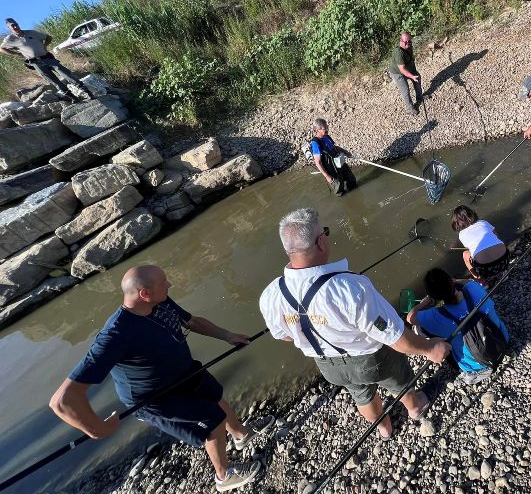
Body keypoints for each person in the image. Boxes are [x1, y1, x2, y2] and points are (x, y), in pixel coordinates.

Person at [49, 266, 271, 493]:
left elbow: (193, 322)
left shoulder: (160, 301)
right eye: (164, 282)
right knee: (212, 421)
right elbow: (63, 399)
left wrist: (228, 336)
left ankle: (241, 435)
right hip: (155, 398)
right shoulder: (114, 336)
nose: (169, 285)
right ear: (144, 293)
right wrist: (98, 430)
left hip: (184, 373)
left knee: (215, 397)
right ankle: (224, 476)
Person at [259, 208, 451, 440]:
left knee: (360, 393)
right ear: (321, 242)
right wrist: (431, 349)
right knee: (399, 379)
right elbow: (395, 337)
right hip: (371, 359)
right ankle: (415, 407)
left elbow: (283, 335)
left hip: (328, 367)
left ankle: (384, 427)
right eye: (326, 233)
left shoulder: (270, 295)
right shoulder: (350, 288)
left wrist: (320, 331)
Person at [406, 268, 510, 385]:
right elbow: (467, 282)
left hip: (477, 367)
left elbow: (410, 318)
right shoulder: (473, 287)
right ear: (451, 282)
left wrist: (426, 301)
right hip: (501, 340)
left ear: (434, 296)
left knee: (419, 328)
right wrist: (454, 280)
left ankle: (472, 374)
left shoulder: (436, 315)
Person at [0, 18, 93, 103]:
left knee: (68, 75)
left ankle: (88, 93)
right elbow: (2, 49)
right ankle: (74, 98)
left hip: (48, 58)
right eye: (12, 26)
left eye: (16, 24)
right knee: (55, 82)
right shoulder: (10, 39)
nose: (15, 27)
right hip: (36, 63)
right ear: (9, 28)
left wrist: (44, 46)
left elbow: (48, 37)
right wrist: (17, 53)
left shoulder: (31, 32)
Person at [451, 205, 509, 284]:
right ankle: (501, 274)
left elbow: (471, 249)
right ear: (472, 214)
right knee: (495, 243)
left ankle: (479, 279)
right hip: (505, 260)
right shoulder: (483, 222)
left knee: (465, 254)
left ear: (456, 223)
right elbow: (496, 236)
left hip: (485, 269)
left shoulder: (461, 234)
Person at [310, 118, 357, 197]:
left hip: (339, 162)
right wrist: (327, 176)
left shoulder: (326, 136)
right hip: (331, 169)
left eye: (327, 127)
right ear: (318, 130)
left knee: (351, 179)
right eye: (325, 128)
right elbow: (317, 162)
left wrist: (346, 153)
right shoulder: (315, 143)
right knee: (339, 189)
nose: (327, 129)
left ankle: (355, 193)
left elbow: (335, 148)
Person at [388, 31, 424, 116]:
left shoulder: (409, 46)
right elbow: (402, 70)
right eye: (406, 42)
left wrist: (415, 74)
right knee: (405, 90)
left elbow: (411, 59)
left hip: (409, 67)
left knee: (417, 79)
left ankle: (419, 98)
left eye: (409, 41)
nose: (408, 43)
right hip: (398, 73)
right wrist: (412, 76)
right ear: (401, 41)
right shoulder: (398, 53)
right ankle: (410, 108)